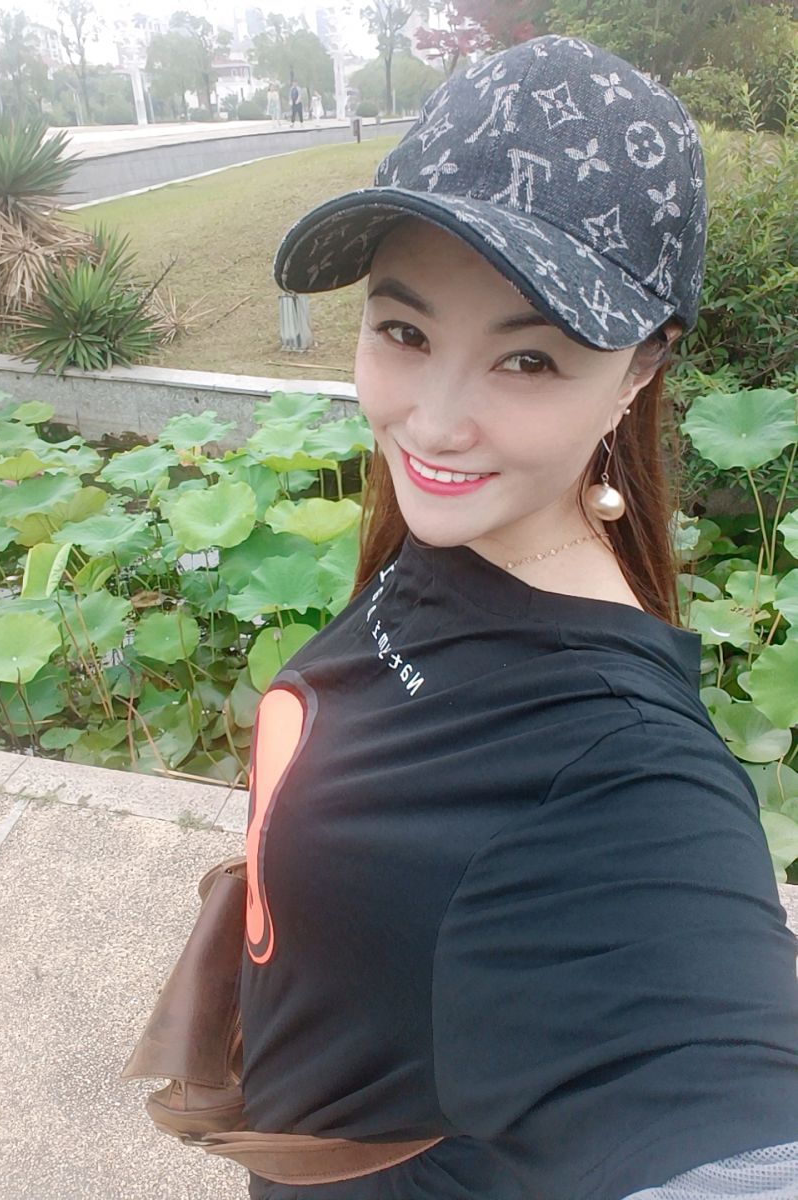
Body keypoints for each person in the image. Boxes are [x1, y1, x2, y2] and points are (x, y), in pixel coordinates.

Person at [241, 35, 798, 1200]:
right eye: (404, 332)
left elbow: (736, 1119)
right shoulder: (460, 538)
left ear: (640, 370)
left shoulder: (623, 771)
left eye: (530, 361)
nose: (435, 422)